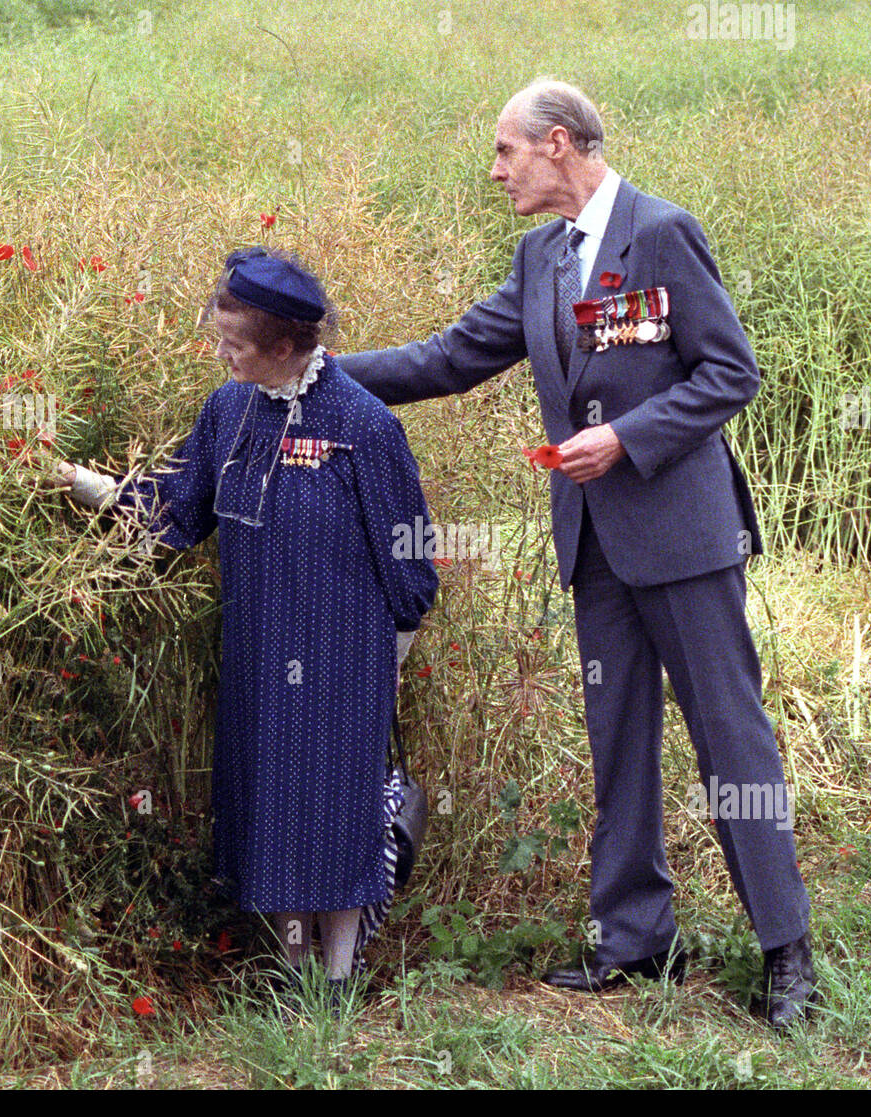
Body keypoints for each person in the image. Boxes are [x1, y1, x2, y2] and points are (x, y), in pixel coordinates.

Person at [339, 80, 816, 1027]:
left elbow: (732, 372)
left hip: (683, 540)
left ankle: (787, 953)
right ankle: (637, 939)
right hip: (594, 547)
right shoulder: (540, 258)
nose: (496, 169)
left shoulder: (663, 233)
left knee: (732, 742)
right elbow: (448, 357)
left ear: (558, 145)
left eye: (506, 150)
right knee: (619, 742)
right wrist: (312, 371)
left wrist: (628, 437)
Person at [47, 248, 438, 1006]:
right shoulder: (228, 410)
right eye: (218, 333)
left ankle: (340, 976)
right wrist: (83, 485)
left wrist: (393, 658)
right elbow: (179, 510)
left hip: (343, 657)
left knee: (334, 810)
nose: (219, 351)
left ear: (289, 345)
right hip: (258, 653)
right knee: (272, 808)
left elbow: (411, 561)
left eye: (234, 341)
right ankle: (292, 977)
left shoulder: (364, 423)